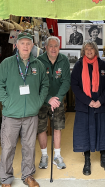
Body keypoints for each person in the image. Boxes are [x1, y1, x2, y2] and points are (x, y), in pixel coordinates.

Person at [0, 31, 49, 187]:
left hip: (31, 114)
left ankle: (28, 176)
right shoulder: (7, 63)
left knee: (29, 146)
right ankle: (6, 179)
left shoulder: (38, 65)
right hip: (11, 114)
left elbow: (45, 84)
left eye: (28, 43)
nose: (25, 46)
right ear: (16, 45)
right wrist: (7, 101)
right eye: (22, 43)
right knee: (8, 147)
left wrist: (38, 101)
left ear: (32, 46)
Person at [71, 41, 105, 175]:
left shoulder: (103, 65)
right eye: (86, 49)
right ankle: (87, 160)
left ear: (95, 50)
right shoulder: (78, 66)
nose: (89, 51)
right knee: (85, 133)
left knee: (102, 131)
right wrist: (88, 101)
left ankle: (104, 159)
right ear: (83, 51)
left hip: (100, 105)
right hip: (84, 105)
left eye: (91, 49)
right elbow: (75, 86)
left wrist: (100, 101)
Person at [37, 36, 70, 170]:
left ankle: (57, 156)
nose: (53, 48)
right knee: (41, 128)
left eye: (56, 46)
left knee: (58, 127)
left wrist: (57, 98)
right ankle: (44, 155)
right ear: (45, 47)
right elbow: (37, 84)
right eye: (50, 46)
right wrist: (48, 98)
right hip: (42, 100)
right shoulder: (38, 61)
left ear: (59, 47)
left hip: (57, 101)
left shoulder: (64, 60)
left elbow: (66, 81)